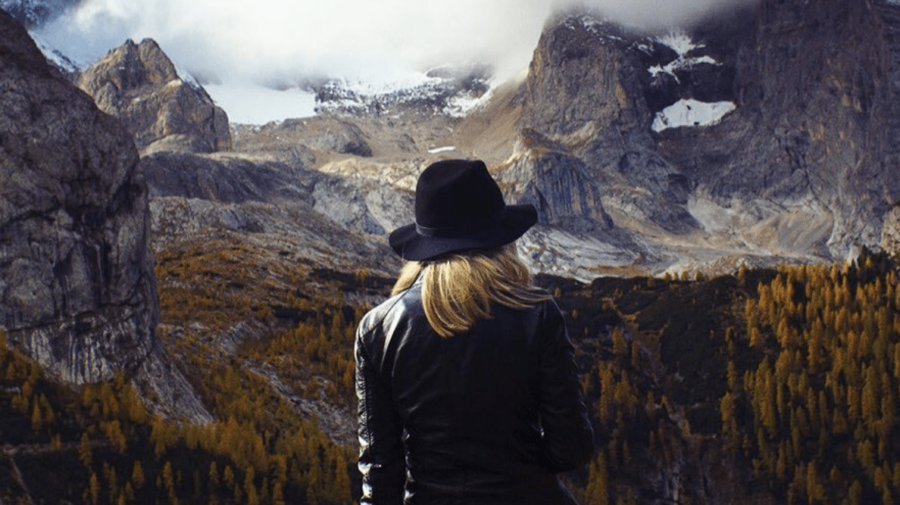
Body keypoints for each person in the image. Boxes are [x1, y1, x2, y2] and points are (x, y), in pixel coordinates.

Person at [355, 159, 594, 505]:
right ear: (500, 240)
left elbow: (380, 473)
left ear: (424, 247)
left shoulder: (377, 329)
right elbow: (571, 449)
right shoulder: (538, 313)